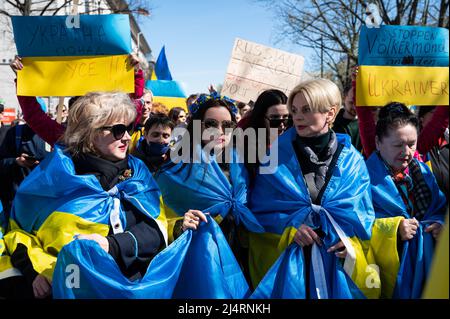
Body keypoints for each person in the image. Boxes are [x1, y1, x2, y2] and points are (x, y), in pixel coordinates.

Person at [0, 92, 167, 299]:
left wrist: (112, 245)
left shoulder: (139, 172)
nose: (126, 136)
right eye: (118, 130)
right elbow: (19, 234)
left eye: (129, 128)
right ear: (89, 132)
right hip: (68, 288)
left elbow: (157, 228)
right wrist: (36, 271)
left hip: (132, 289)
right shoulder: (52, 176)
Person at [249, 79, 379, 299]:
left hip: (337, 265)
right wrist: (290, 228)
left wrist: (349, 243)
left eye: (307, 110)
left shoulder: (354, 162)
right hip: (292, 269)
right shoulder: (274, 157)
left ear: (330, 113)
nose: (297, 116)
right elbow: (259, 213)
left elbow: (364, 217)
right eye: (295, 110)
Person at [154, 92, 263, 275]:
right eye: (211, 124)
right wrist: (180, 226)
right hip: (200, 262)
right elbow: (157, 218)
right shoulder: (176, 171)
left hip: (241, 258)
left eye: (227, 125)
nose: (220, 131)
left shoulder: (246, 165)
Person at [365, 102, 447, 299]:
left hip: (425, 265)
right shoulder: (362, 178)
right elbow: (354, 224)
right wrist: (394, 229)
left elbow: (440, 208)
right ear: (377, 142)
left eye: (412, 144)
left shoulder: (424, 171)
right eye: (398, 145)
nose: (407, 151)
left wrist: (440, 224)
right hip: (382, 275)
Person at [9, 54, 146, 148]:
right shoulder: (65, 141)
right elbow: (34, 116)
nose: (125, 136)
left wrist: (134, 73)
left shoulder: (121, 133)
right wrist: (24, 79)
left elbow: (132, 107)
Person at [239, 89, 290, 181]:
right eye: (275, 118)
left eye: (286, 117)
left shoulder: (293, 142)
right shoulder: (242, 146)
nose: (282, 124)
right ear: (261, 118)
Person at [0, 120, 50, 214]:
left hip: (45, 197)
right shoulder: (14, 133)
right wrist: (16, 161)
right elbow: (2, 162)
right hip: (17, 197)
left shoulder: (53, 133)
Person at [417, 106, 449, 196]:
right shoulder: (416, 144)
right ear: (421, 118)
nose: (436, 117)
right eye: (434, 113)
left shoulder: (447, 140)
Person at [332, 83, 363, 153]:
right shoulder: (332, 122)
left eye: (358, 103)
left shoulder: (366, 125)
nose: (355, 107)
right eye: (351, 103)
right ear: (344, 99)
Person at [129, 88, 154, 153]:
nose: (145, 107)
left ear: (152, 104)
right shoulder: (126, 125)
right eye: (141, 103)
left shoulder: (158, 124)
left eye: (148, 102)